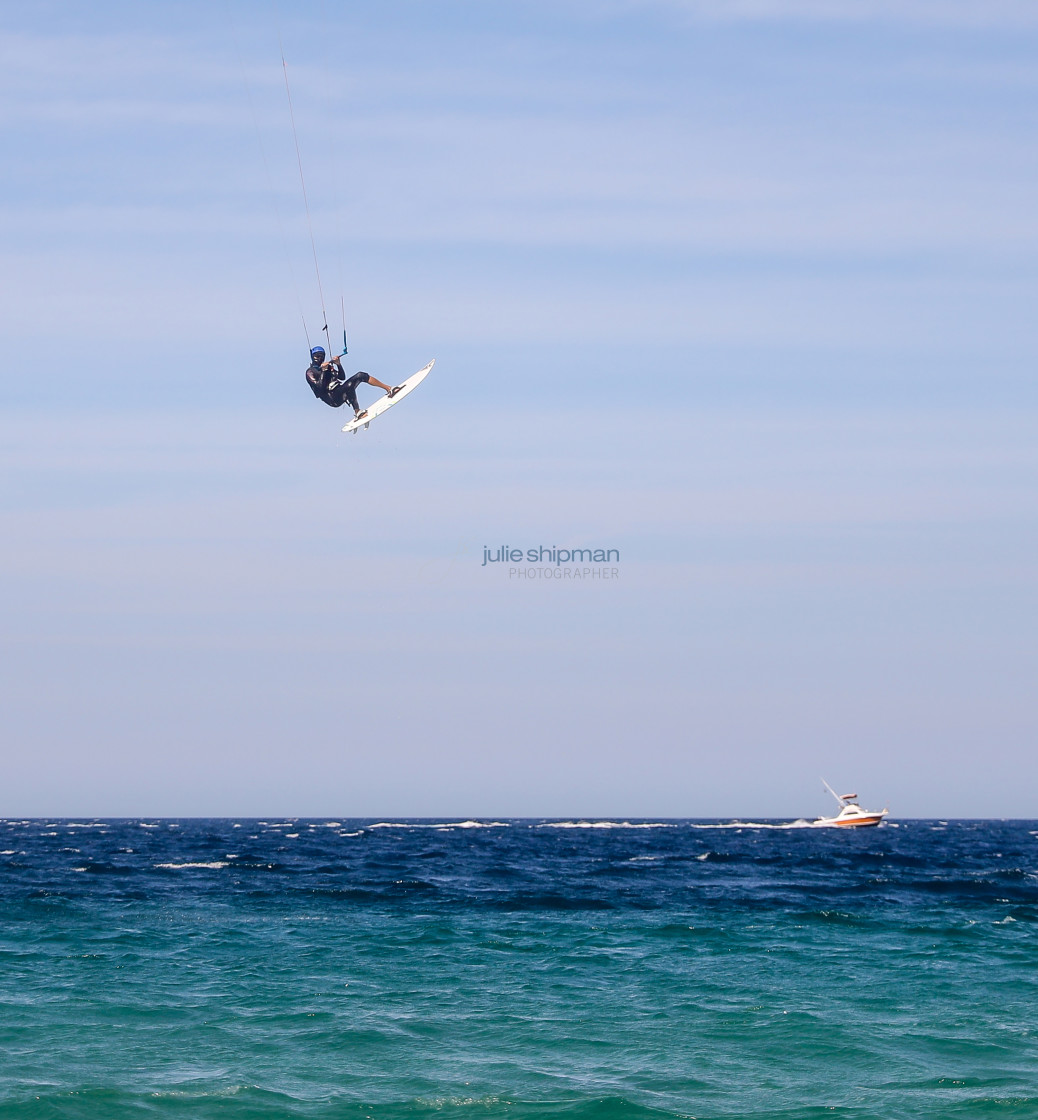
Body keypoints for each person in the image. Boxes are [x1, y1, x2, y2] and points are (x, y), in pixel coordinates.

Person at [304, 346, 401, 420]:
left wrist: (338, 364)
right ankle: (358, 412)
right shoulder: (310, 372)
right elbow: (320, 389)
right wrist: (324, 371)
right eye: (317, 356)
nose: (320, 358)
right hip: (332, 399)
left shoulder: (327, 368)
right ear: (312, 357)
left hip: (340, 391)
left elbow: (342, 377)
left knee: (361, 375)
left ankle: (389, 389)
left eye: (322, 356)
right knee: (349, 386)